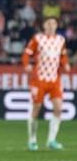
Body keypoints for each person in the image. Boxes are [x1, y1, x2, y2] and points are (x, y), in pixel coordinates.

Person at [22, 17, 70, 151]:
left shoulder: (60, 40)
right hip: (39, 79)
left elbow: (63, 55)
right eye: (48, 23)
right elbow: (26, 54)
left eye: (53, 23)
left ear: (56, 26)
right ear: (43, 26)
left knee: (59, 108)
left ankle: (51, 140)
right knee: (36, 109)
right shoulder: (38, 39)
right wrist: (26, 65)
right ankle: (32, 140)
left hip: (54, 79)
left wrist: (65, 64)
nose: (51, 26)